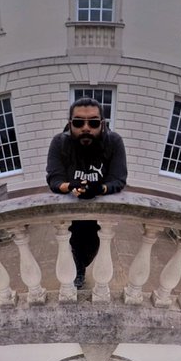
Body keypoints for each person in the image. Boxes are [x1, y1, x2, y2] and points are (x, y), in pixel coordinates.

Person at [46, 100, 128, 287]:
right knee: (71, 244)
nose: (85, 128)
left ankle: (81, 265)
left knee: (93, 247)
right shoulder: (59, 142)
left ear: (103, 123)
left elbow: (118, 179)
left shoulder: (114, 142)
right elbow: (54, 179)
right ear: (69, 123)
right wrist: (70, 185)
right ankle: (78, 271)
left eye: (93, 122)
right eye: (78, 122)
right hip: (70, 209)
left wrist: (100, 189)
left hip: (98, 210)